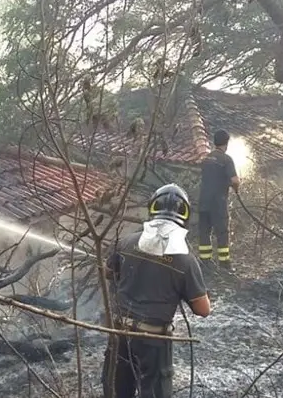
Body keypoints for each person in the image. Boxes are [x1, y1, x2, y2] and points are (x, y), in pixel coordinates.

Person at [102, 183, 212, 398]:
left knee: (116, 390)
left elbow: (108, 272)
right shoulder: (185, 260)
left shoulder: (126, 241)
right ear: (185, 215)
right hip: (153, 340)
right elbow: (203, 309)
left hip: (119, 333)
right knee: (154, 393)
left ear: (152, 208)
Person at [197, 129, 240, 269]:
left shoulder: (206, 159)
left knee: (205, 232)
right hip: (218, 203)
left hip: (203, 202)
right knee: (222, 233)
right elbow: (235, 180)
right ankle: (224, 264)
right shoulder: (226, 160)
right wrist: (235, 188)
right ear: (226, 143)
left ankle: (205, 262)